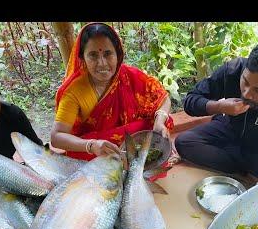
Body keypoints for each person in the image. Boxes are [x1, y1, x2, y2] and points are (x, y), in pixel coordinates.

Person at [173, 39, 258, 185]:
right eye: (245, 81)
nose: (247, 94)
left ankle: (235, 162)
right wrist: (219, 107)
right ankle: (242, 166)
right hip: (228, 128)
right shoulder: (233, 70)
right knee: (184, 142)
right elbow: (190, 100)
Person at [51, 22, 173, 160]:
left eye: (108, 54)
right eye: (93, 55)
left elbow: (163, 98)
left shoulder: (131, 76)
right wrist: (91, 145)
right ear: (82, 58)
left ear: (118, 54)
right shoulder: (74, 92)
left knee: (155, 126)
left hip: (132, 142)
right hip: (98, 150)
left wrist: (160, 122)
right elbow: (56, 137)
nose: (102, 63)